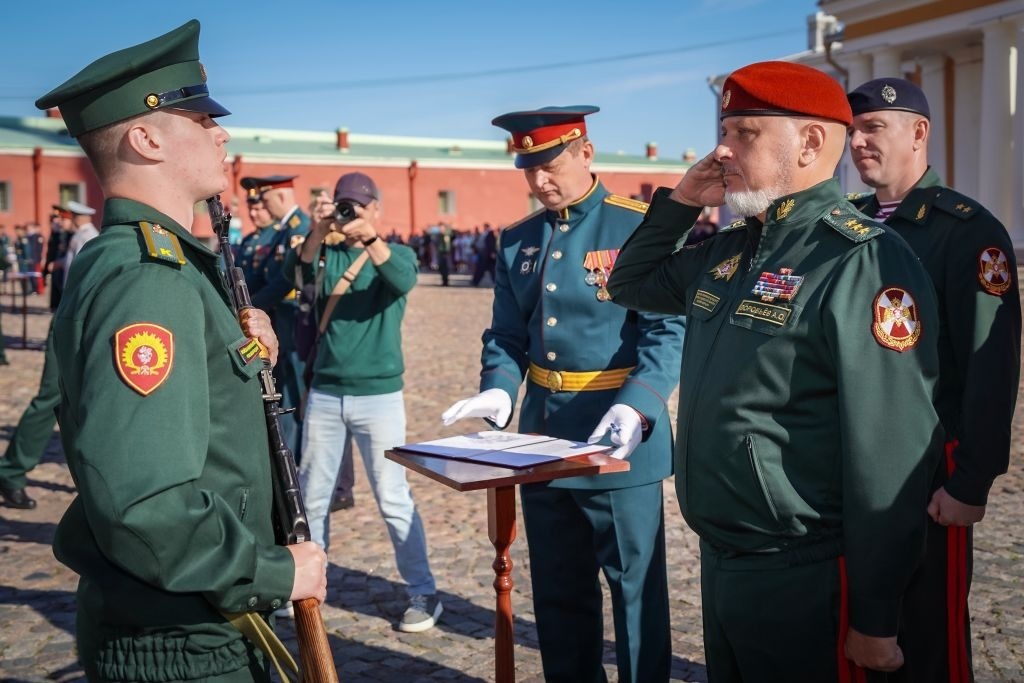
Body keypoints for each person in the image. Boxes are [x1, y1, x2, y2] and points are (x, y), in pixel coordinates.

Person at [605, 61, 944, 680]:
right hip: (725, 558)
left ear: (811, 143)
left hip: (803, 570)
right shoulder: (735, 248)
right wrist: (681, 203)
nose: (722, 149)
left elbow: (890, 452)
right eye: (725, 129)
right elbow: (629, 284)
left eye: (744, 133)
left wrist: (874, 615)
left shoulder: (859, 260)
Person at [34, 19, 327, 681]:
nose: (221, 132)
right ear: (145, 137)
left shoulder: (158, 264)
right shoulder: (148, 276)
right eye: (200, 118)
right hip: (186, 634)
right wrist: (278, 569)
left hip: (198, 612)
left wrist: (248, 353)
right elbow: (146, 501)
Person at [443, 106, 685, 682]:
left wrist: (640, 403)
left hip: (617, 440)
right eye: (529, 169)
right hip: (542, 438)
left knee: (634, 595)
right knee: (558, 592)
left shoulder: (635, 227)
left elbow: (665, 329)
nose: (539, 180)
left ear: (585, 153)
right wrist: (499, 390)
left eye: (549, 165)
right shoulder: (519, 240)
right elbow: (506, 334)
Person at [846, 78, 1021, 683]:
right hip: (854, 465)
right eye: (852, 131)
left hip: (930, 471)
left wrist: (972, 480)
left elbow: (990, 365)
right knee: (858, 632)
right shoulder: (849, 224)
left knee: (927, 639)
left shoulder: (967, 230)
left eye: (874, 128)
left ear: (919, 132)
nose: (858, 142)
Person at [293, 171, 441, 632]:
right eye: (342, 205)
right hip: (326, 393)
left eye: (357, 206)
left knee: (393, 495)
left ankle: (423, 591)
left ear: (375, 208)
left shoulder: (395, 253)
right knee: (312, 497)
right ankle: (307, 587)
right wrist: (318, 230)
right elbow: (293, 276)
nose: (349, 213)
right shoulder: (326, 254)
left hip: (379, 396)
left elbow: (402, 281)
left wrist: (370, 237)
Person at [0, 201, 98, 511]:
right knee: (51, 399)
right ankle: (11, 470)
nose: (60, 221)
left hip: (78, 323)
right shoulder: (80, 239)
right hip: (72, 324)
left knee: (76, 403)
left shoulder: (87, 240)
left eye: (64, 217)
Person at [248, 175, 309, 457]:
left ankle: (300, 454)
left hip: (295, 319)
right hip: (282, 319)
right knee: (285, 386)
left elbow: (287, 280)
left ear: (282, 197)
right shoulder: (284, 230)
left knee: (297, 390)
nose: (263, 204)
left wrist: (255, 304)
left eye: (267, 198)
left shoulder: (298, 228)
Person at [63, 200, 99, 282]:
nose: (71, 220)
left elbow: (82, 263)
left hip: (79, 283)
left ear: (78, 219)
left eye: (72, 217)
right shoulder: (80, 233)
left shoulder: (88, 235)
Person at [45, 207, 72, 309]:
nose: (60, 223)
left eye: (63, 220)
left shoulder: (70, 235)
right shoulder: (60, 234)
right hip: (59, 267)